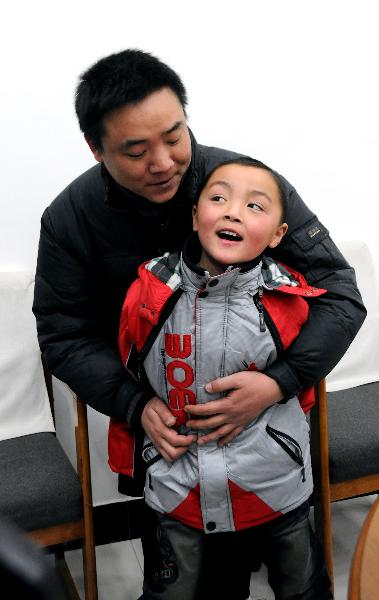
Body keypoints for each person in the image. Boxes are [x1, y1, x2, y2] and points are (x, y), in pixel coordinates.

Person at [113, 157, 332, 599]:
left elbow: (301, 390)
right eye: (218, 198)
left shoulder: (290, 299)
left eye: (255, 206)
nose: (233, 211)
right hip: (178, 488)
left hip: (274, 485)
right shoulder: (148, 291)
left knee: (303, 589)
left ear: (277, 236)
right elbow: (130, 368)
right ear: (195, 217)